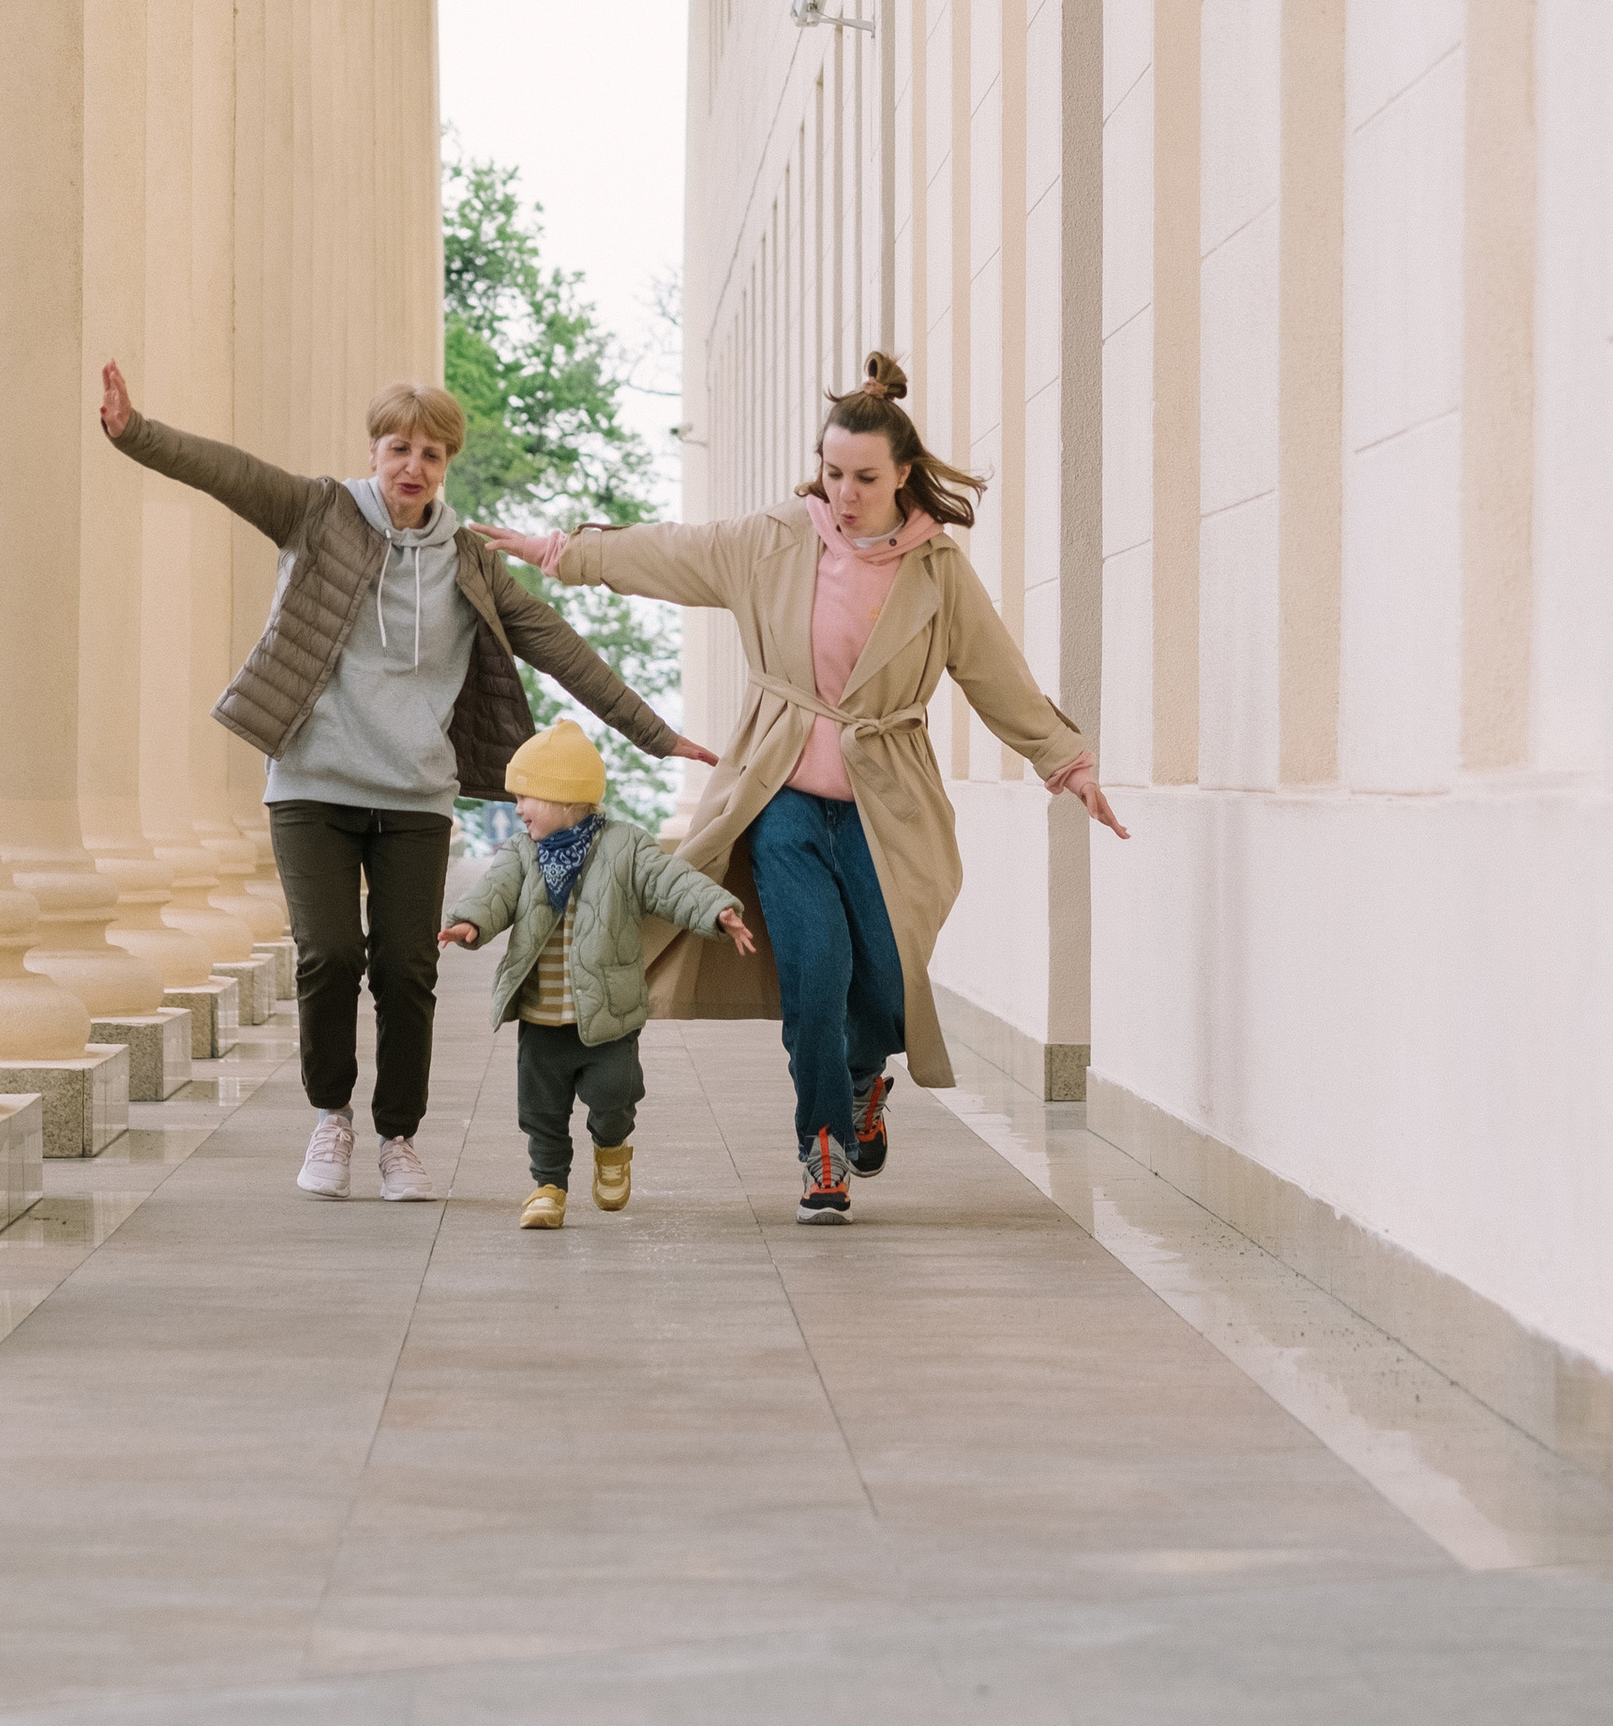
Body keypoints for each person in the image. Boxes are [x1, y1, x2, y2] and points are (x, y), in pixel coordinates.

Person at [476, 350, 1127, 1226]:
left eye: (864, 477)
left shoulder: (936, 572)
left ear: (903, 475)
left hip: (889, 807)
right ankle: (822, 1144)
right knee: (815, 971)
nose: (845, 493)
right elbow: (671, 553)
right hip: (780, 797)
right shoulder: (775, 540)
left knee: (887, 978)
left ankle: (864, 1084)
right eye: (832, 473)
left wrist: (1067, 763)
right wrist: (562, 551)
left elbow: (996, 674)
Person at [97, 362, 713, 1204]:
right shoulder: (317, 514)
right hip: (311, 782)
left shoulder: (468, 562)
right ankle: (331, 1119)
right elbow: (227, 473)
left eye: (431, 452)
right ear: (375, 451)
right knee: (329, 953)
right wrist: (137, 432)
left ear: (447, 464)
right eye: (398, 448)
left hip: (414, 795)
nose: (412, 466)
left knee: (404, 970)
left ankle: (396, 1137)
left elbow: (562, 647)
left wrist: (656, 734)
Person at [440, 714, 755, 1228]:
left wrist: (716, 908)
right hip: (542, 1018)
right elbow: (493, 891)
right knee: (540, 1111)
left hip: (608, 1016)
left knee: (615, 1095)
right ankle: (547, 1187)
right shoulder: (523, 853)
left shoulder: (624, 846)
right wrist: (469, 922)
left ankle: (612, 1147)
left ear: (566, 799)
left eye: (526, 797)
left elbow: (671, 881)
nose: (517, 809)